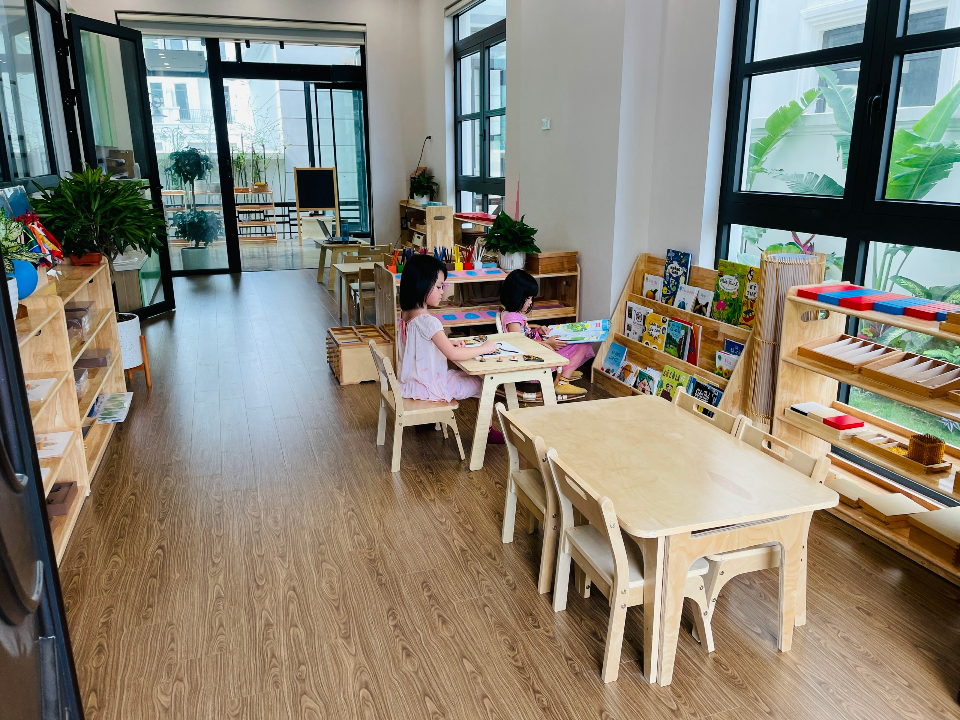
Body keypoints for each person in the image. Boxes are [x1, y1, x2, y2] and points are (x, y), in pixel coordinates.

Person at [397, 254, 505, 442]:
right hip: (431, 388)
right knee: (484, 383)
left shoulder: (405, 315)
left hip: (411, 385)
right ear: (422, 285)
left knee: (462, 376)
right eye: (439, 286)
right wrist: (484, 348)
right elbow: (454, 354)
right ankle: (486, 432)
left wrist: (446, 343)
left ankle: (426, 422)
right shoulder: (429, 322)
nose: (443, 291)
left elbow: (419, 346)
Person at [499, 269, 594, 396]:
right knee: (583, 344)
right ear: (516, 295)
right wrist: (547, 343)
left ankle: (566, 369)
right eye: (528, 298)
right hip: (534, 357)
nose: (530, 302)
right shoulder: (512, 318)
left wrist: (537, 331)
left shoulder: (511, 314)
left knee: (575, 342)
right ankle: (563, 382)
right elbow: (521, 344)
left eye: (531, 298)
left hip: (536, 350)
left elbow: (523, 335)